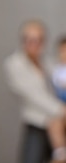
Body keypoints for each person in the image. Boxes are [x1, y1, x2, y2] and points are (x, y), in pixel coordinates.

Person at [9, 22, 66, 163]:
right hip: (38, 123)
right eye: (29, 40)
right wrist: (61, 110)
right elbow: (34, 96)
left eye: (38, 40)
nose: (34, 44)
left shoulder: (47, 62)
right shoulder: (15, 64)